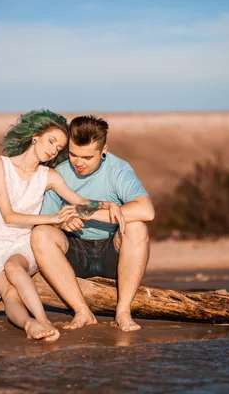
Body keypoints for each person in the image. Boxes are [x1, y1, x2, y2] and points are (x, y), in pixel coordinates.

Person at [0, 110, 124, 342]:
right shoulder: (0, 165)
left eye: (58, 147)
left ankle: (42, 320)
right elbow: (9, 216)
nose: (53, 149)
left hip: (23, 242)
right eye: (51, 141)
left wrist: (108, 204)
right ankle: (28, 324)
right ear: (35, 136)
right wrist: (56, 219)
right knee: (9, 293)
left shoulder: (49, 176)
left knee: (14, 268)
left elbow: (80, 202)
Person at [31, 115, 155, 332]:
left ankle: (123, 311)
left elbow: (146, 210)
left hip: (112, 253)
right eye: (73, 154)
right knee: (40, 234)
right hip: (75, 252)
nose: (78, 163)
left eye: (87, 157)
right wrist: (61, 223)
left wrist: (87, 212)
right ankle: (82, 311)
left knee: (138, 226)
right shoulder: (59, 173)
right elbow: (45, 221)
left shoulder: (118, 170)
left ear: (103, 149)